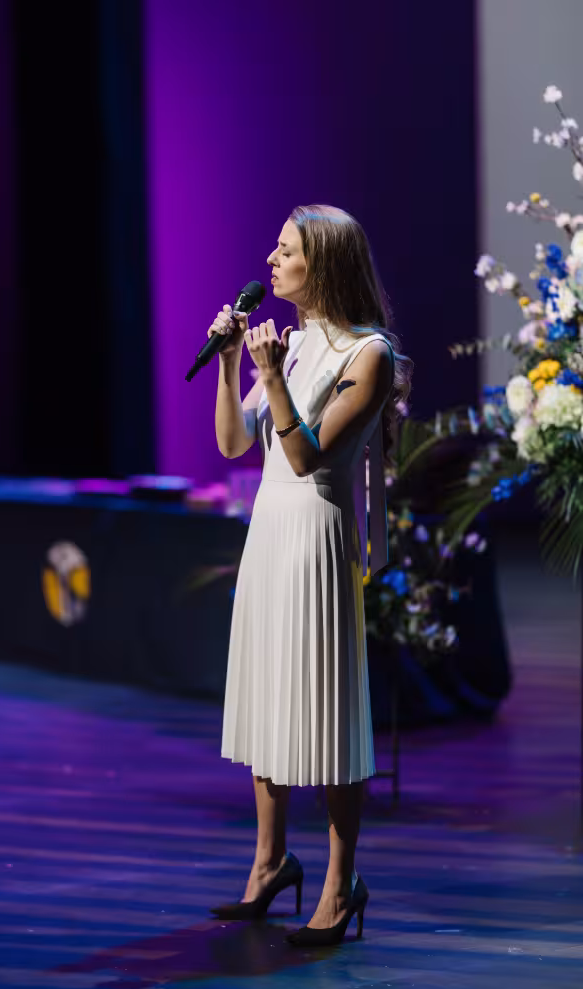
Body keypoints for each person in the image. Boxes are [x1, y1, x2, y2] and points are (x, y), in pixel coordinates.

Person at [209, 204, 413, 946]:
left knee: (325, 710)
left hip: (317, 535)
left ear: (320, 263)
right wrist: (233, 362)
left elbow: (307, 458)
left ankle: (340, 881)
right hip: (270, 532)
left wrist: (271, 375)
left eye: (285, 249)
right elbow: (234, 444)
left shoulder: (368, 354)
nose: (271, 259)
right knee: (268, 696)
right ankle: (269, 863)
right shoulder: (291, 345)